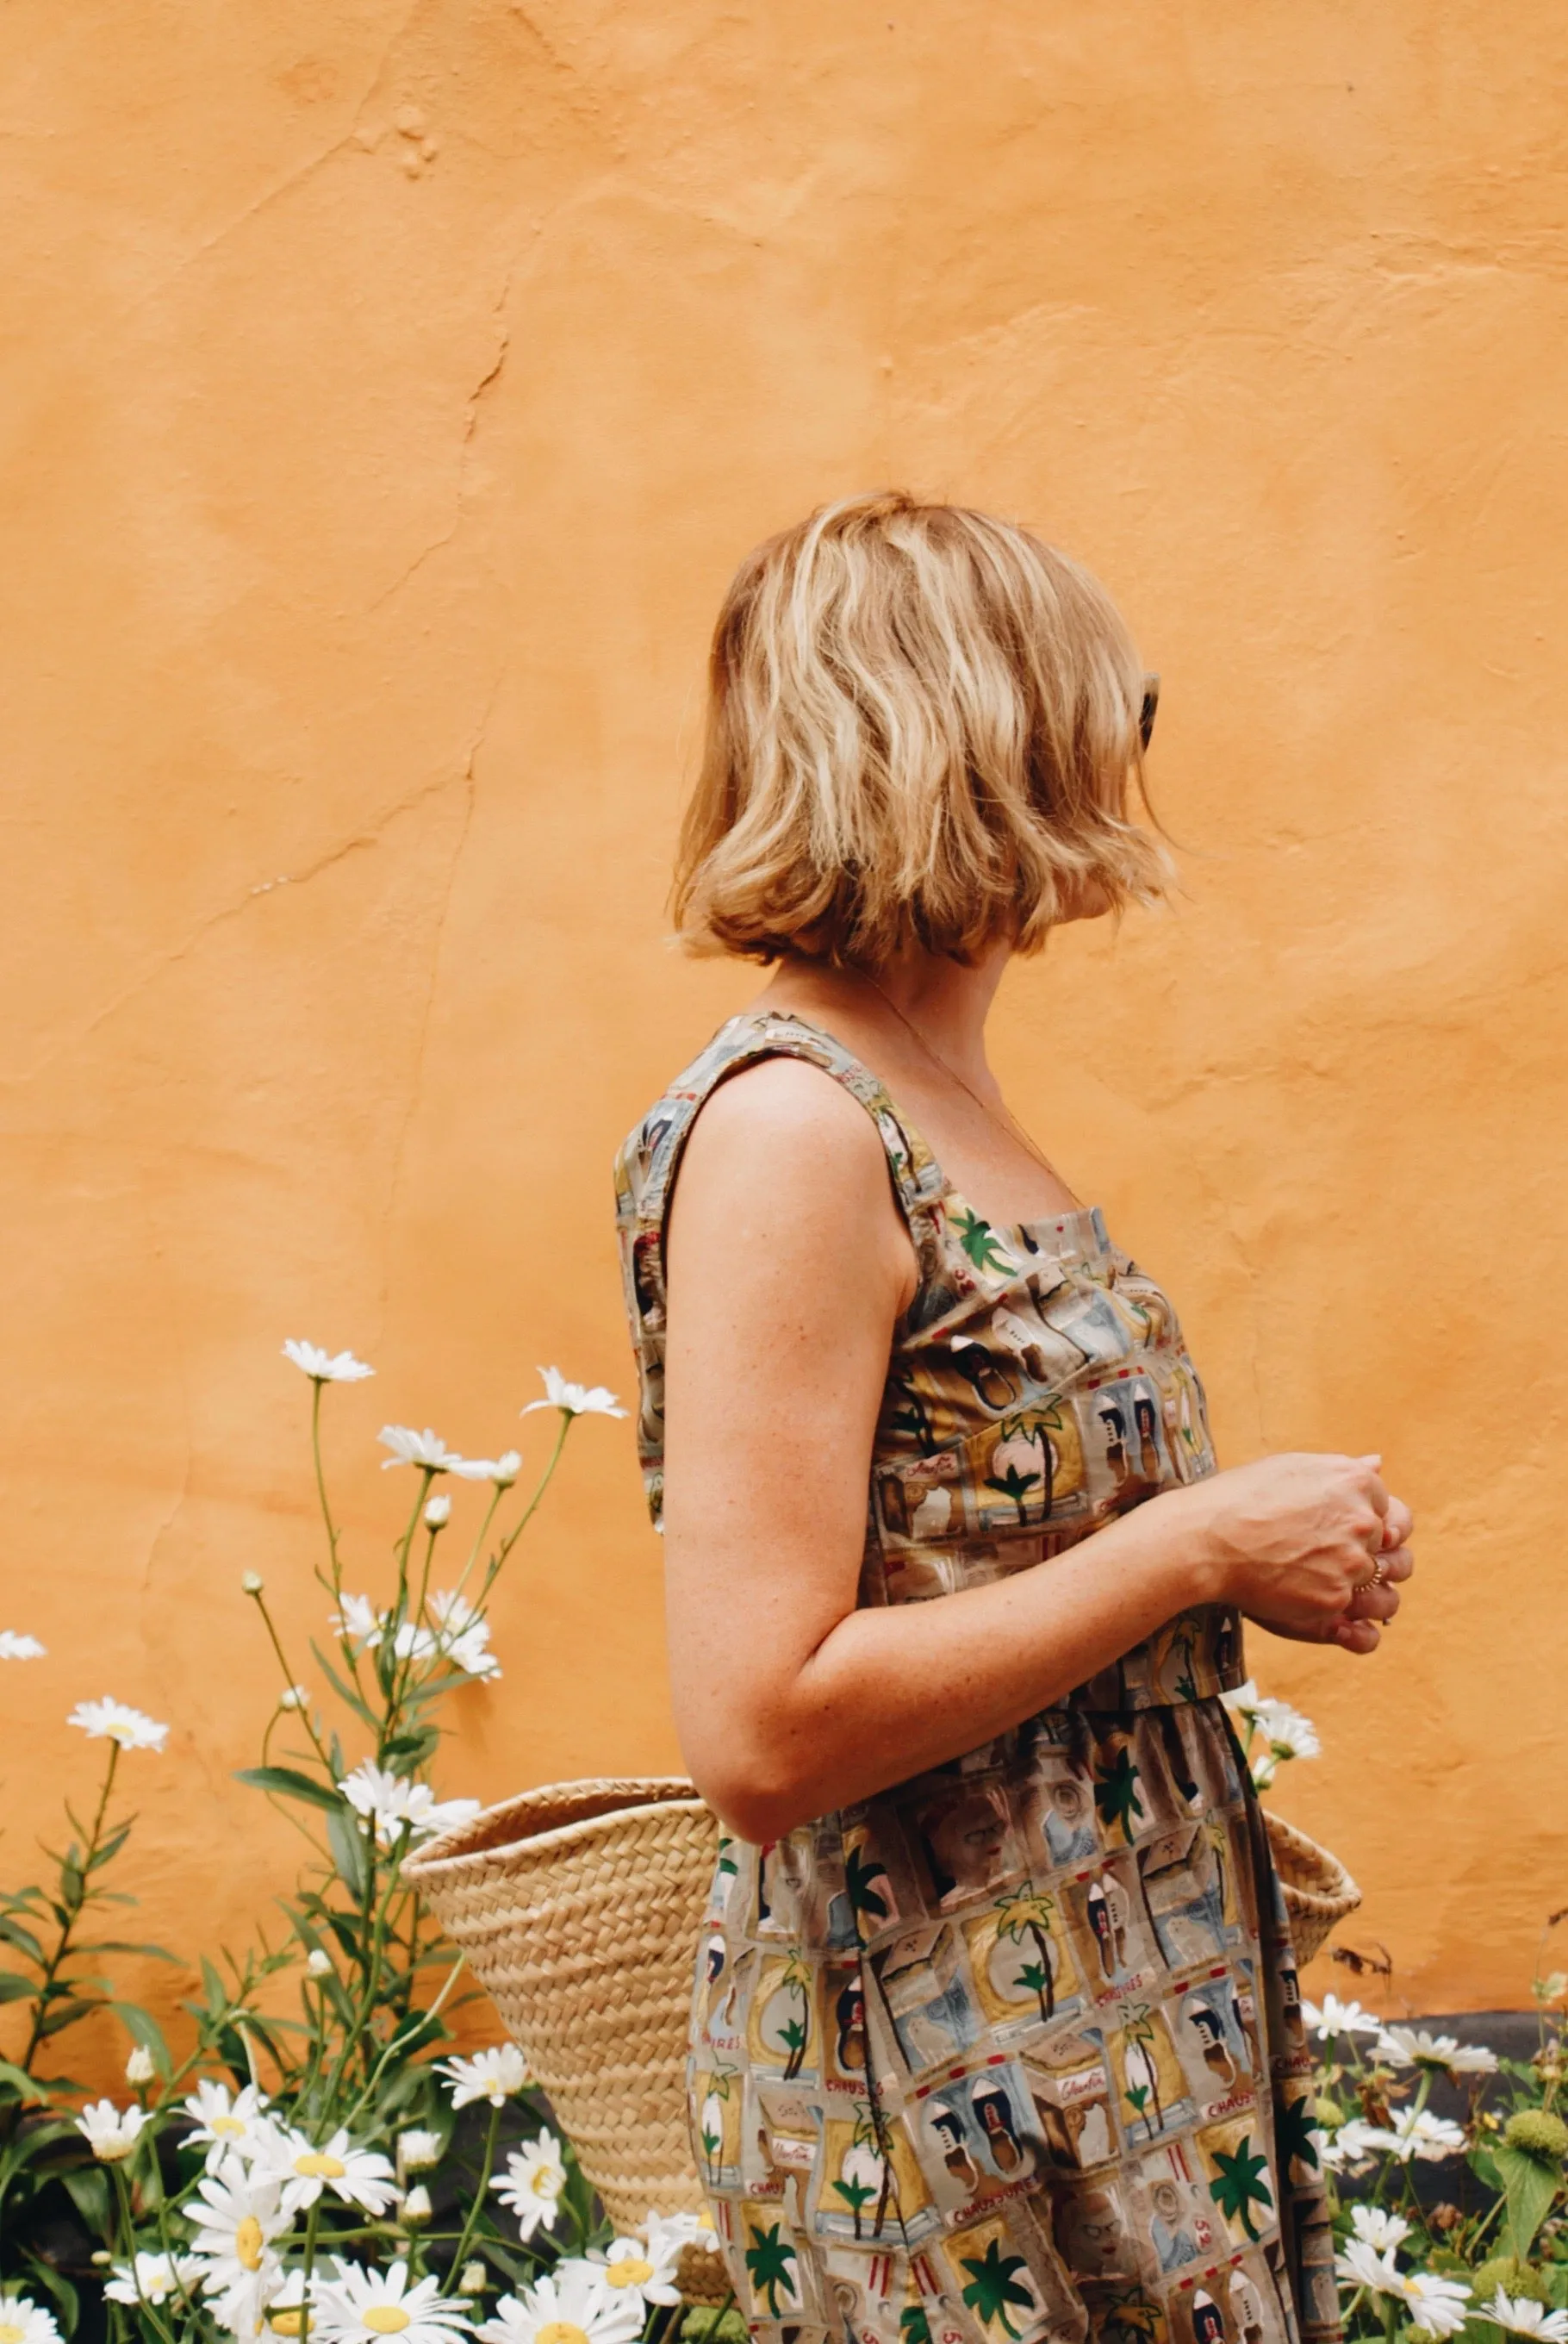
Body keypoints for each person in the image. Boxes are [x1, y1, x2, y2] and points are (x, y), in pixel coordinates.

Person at [613, 492, 1413, 2344]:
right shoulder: (798, 1127)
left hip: (1108, 2022)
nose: (1127, 743)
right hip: (945, 2058)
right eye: (1089, 699)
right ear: (978, 735)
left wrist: (1259, 1560)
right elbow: (759, 1722)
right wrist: (1195, 1543)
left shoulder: (928, 1090)